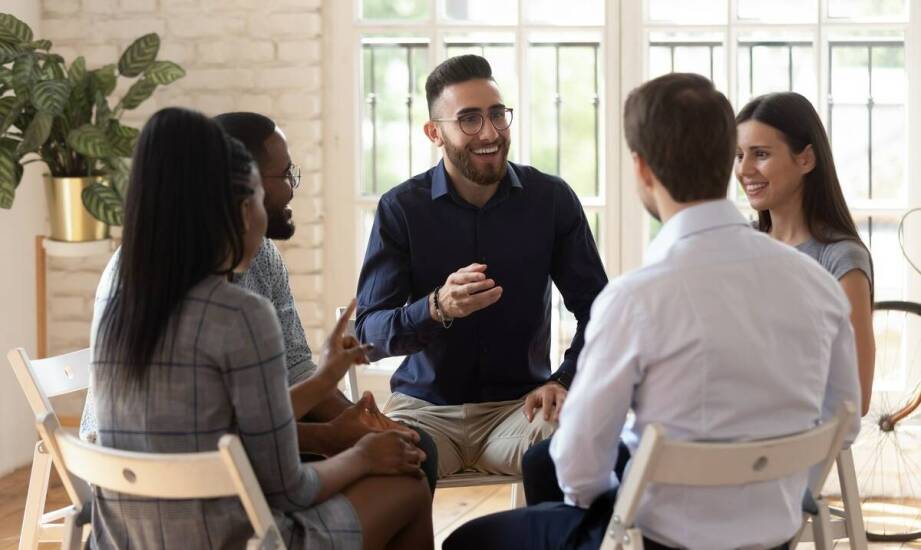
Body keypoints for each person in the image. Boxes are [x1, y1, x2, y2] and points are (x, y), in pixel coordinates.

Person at [444, 73, 861, 550]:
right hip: (777, 533)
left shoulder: (634, 301)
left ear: (642, 169)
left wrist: (609, 508)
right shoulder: (818, 286)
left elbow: (580, 469)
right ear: (728, 159)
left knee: (469, 540)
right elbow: (844, 421)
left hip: (660, 540)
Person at [89, 107, 433, 550]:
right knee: (407, 488)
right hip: (230, 539)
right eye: (256, 195)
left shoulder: (119, 305)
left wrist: (326, 377)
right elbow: (288, 490)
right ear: (235, 211)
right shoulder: (240, 314)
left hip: (124, 539)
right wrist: (362, 457)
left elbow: (225, 423)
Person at [355, 54, 608, 478]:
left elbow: (601, 312)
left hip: (520, 410)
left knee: (572, 441)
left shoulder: (551, 200)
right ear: (435, 133)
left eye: (497, 115)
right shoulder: (401, 209)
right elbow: (367, 337)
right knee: (391, 463)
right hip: (425, 412)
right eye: (469, 119)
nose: (490, 132)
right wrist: (435, 308)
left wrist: (563, 381)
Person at [214, 112, 438, 490]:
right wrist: (335, 438)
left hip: (243, 442)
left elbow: (296, 366)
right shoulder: (213, 303)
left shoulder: (263, 257)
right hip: (215, 474)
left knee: (412, 448)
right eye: (285, 175)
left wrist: (358, 421)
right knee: (403, 474)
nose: (293, 187)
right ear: (244, 187)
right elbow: (229, 432)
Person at [736, 92, 875, 416]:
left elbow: (857, 398)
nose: (744, 169)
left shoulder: (840, 260)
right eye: (739, 155)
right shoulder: (740, 242)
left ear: (806, 159)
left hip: (793, 446)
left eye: (760, 154)